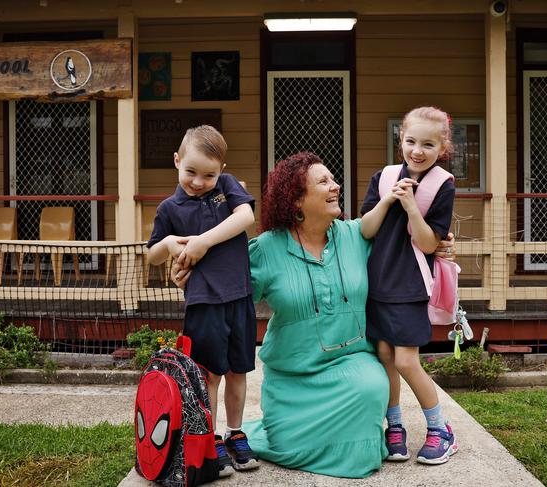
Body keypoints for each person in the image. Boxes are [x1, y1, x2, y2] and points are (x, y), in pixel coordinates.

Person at [171, 151, 457, 478]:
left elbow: (408, 247)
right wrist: (191, 276)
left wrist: (442, 246)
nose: (335, 186)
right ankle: (291, 436)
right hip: (292, 380)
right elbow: (228, 285)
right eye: (323, 182)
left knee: (371, 389)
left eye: (333, 179)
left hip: (351, 364)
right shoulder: (267, 248)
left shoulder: (358, 236)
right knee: (289, 442)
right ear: (296, 200)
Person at [146, 125, 259, 476]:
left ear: (221, 171)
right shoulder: (169, 209)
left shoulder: (227, 188)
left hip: (239, 296)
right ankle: (207, 441)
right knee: (208, 376)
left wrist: (202, 242)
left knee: (239, 371)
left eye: (208, 174)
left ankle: (235, 434)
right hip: (203, 303)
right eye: (191, 171)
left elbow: (246, 218)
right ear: (177, 161)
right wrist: (168, 246)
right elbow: (151, 254)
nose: (198, 181)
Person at [360, 106, 459, 465]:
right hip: (376, 282)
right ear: (400, 139)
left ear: (442, 147)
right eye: (412, 141)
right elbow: (366, 229)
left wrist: (411, 207)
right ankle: (395, 427)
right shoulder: (384, 177)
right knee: (384, 356)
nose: (418, 150)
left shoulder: (441, 184)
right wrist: (389, 199)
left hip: (410, 285)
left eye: (428, 144)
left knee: (405, 359)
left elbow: (430, 243)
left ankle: (440, 430)